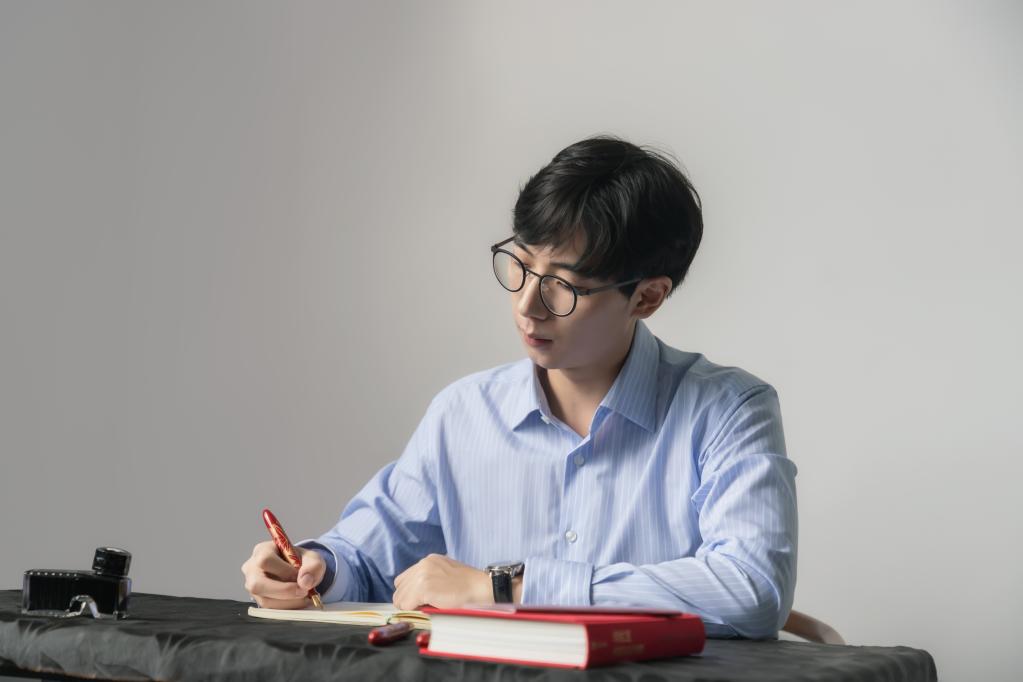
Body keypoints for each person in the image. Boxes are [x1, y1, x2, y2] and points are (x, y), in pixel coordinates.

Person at [240, 135, 798, 639]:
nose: (528, 304)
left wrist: (507, 589)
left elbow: (751, 588)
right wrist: (314, 569)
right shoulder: (464, 414)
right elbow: (363, 559)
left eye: (563, 285)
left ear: (646, 297)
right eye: (520, 265)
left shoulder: (728, 411)